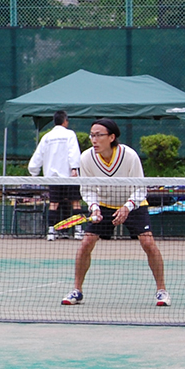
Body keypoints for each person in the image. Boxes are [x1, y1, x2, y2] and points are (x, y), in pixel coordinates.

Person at [62, 118, 168, 307]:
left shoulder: (129, 156)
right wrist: (94, 207)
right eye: (92, 135)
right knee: (86, 242)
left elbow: (140, 187)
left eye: (98, 135)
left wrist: (127, 206)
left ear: (111, 137)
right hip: (103, 204)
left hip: (133, 203)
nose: (94, 139)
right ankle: (77, 290)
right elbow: (87, 188)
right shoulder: (86, 158)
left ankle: (162, 291)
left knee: (148, 243)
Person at [28, 109, 84, 241]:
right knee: (75, 203)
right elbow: (74, 152)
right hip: (69, 177)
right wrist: (75, 169)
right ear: (65, 121)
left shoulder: (46, 137)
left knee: (54, 203)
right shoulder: (70, 134)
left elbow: (38, 156)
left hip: (52, 177)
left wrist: (33, 171)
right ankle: (78, 231)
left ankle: (51, 232)